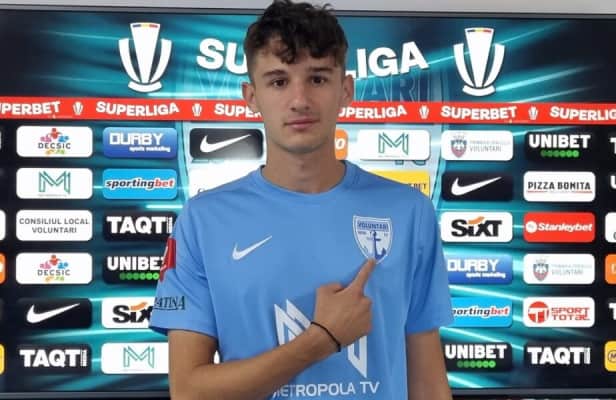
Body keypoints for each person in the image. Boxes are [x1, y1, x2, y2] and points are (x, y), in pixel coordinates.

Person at [149, 1, 453, 398]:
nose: (299, 100)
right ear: (251, 96)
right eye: (278, 82)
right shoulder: (203, 221)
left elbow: (428, 384)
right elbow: (189, 391)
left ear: (346, 90)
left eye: (318, 79)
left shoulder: (408, 211)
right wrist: (320, 340)